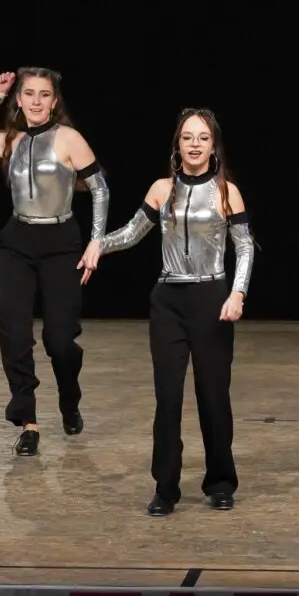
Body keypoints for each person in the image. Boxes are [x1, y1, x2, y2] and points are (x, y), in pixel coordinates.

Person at [84, 108, 254, 516]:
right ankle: (166, 486)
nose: (194, 144)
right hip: (169, 301)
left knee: (213, 397)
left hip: (212, 300)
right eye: (187, 137)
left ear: (213, 146)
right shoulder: (162, 189)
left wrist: (238, 293)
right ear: (177, 145)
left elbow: (245, 247)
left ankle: (220, 481)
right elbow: (131, 233)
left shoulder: (227, 191)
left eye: (202, 138)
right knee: (168, 399)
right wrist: (98, 245)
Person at [0, 68, 109, 456]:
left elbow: (100, 188)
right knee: (13, 333)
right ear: (20, 99)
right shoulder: (11, 140)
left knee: (60, 341)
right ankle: (28, 421)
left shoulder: (68, 139)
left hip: (61, 242)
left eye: (45, 94)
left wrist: (97, 241)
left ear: (55, 101)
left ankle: (69, 398)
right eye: (29, 94)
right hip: (17, 241)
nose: (37, 101)